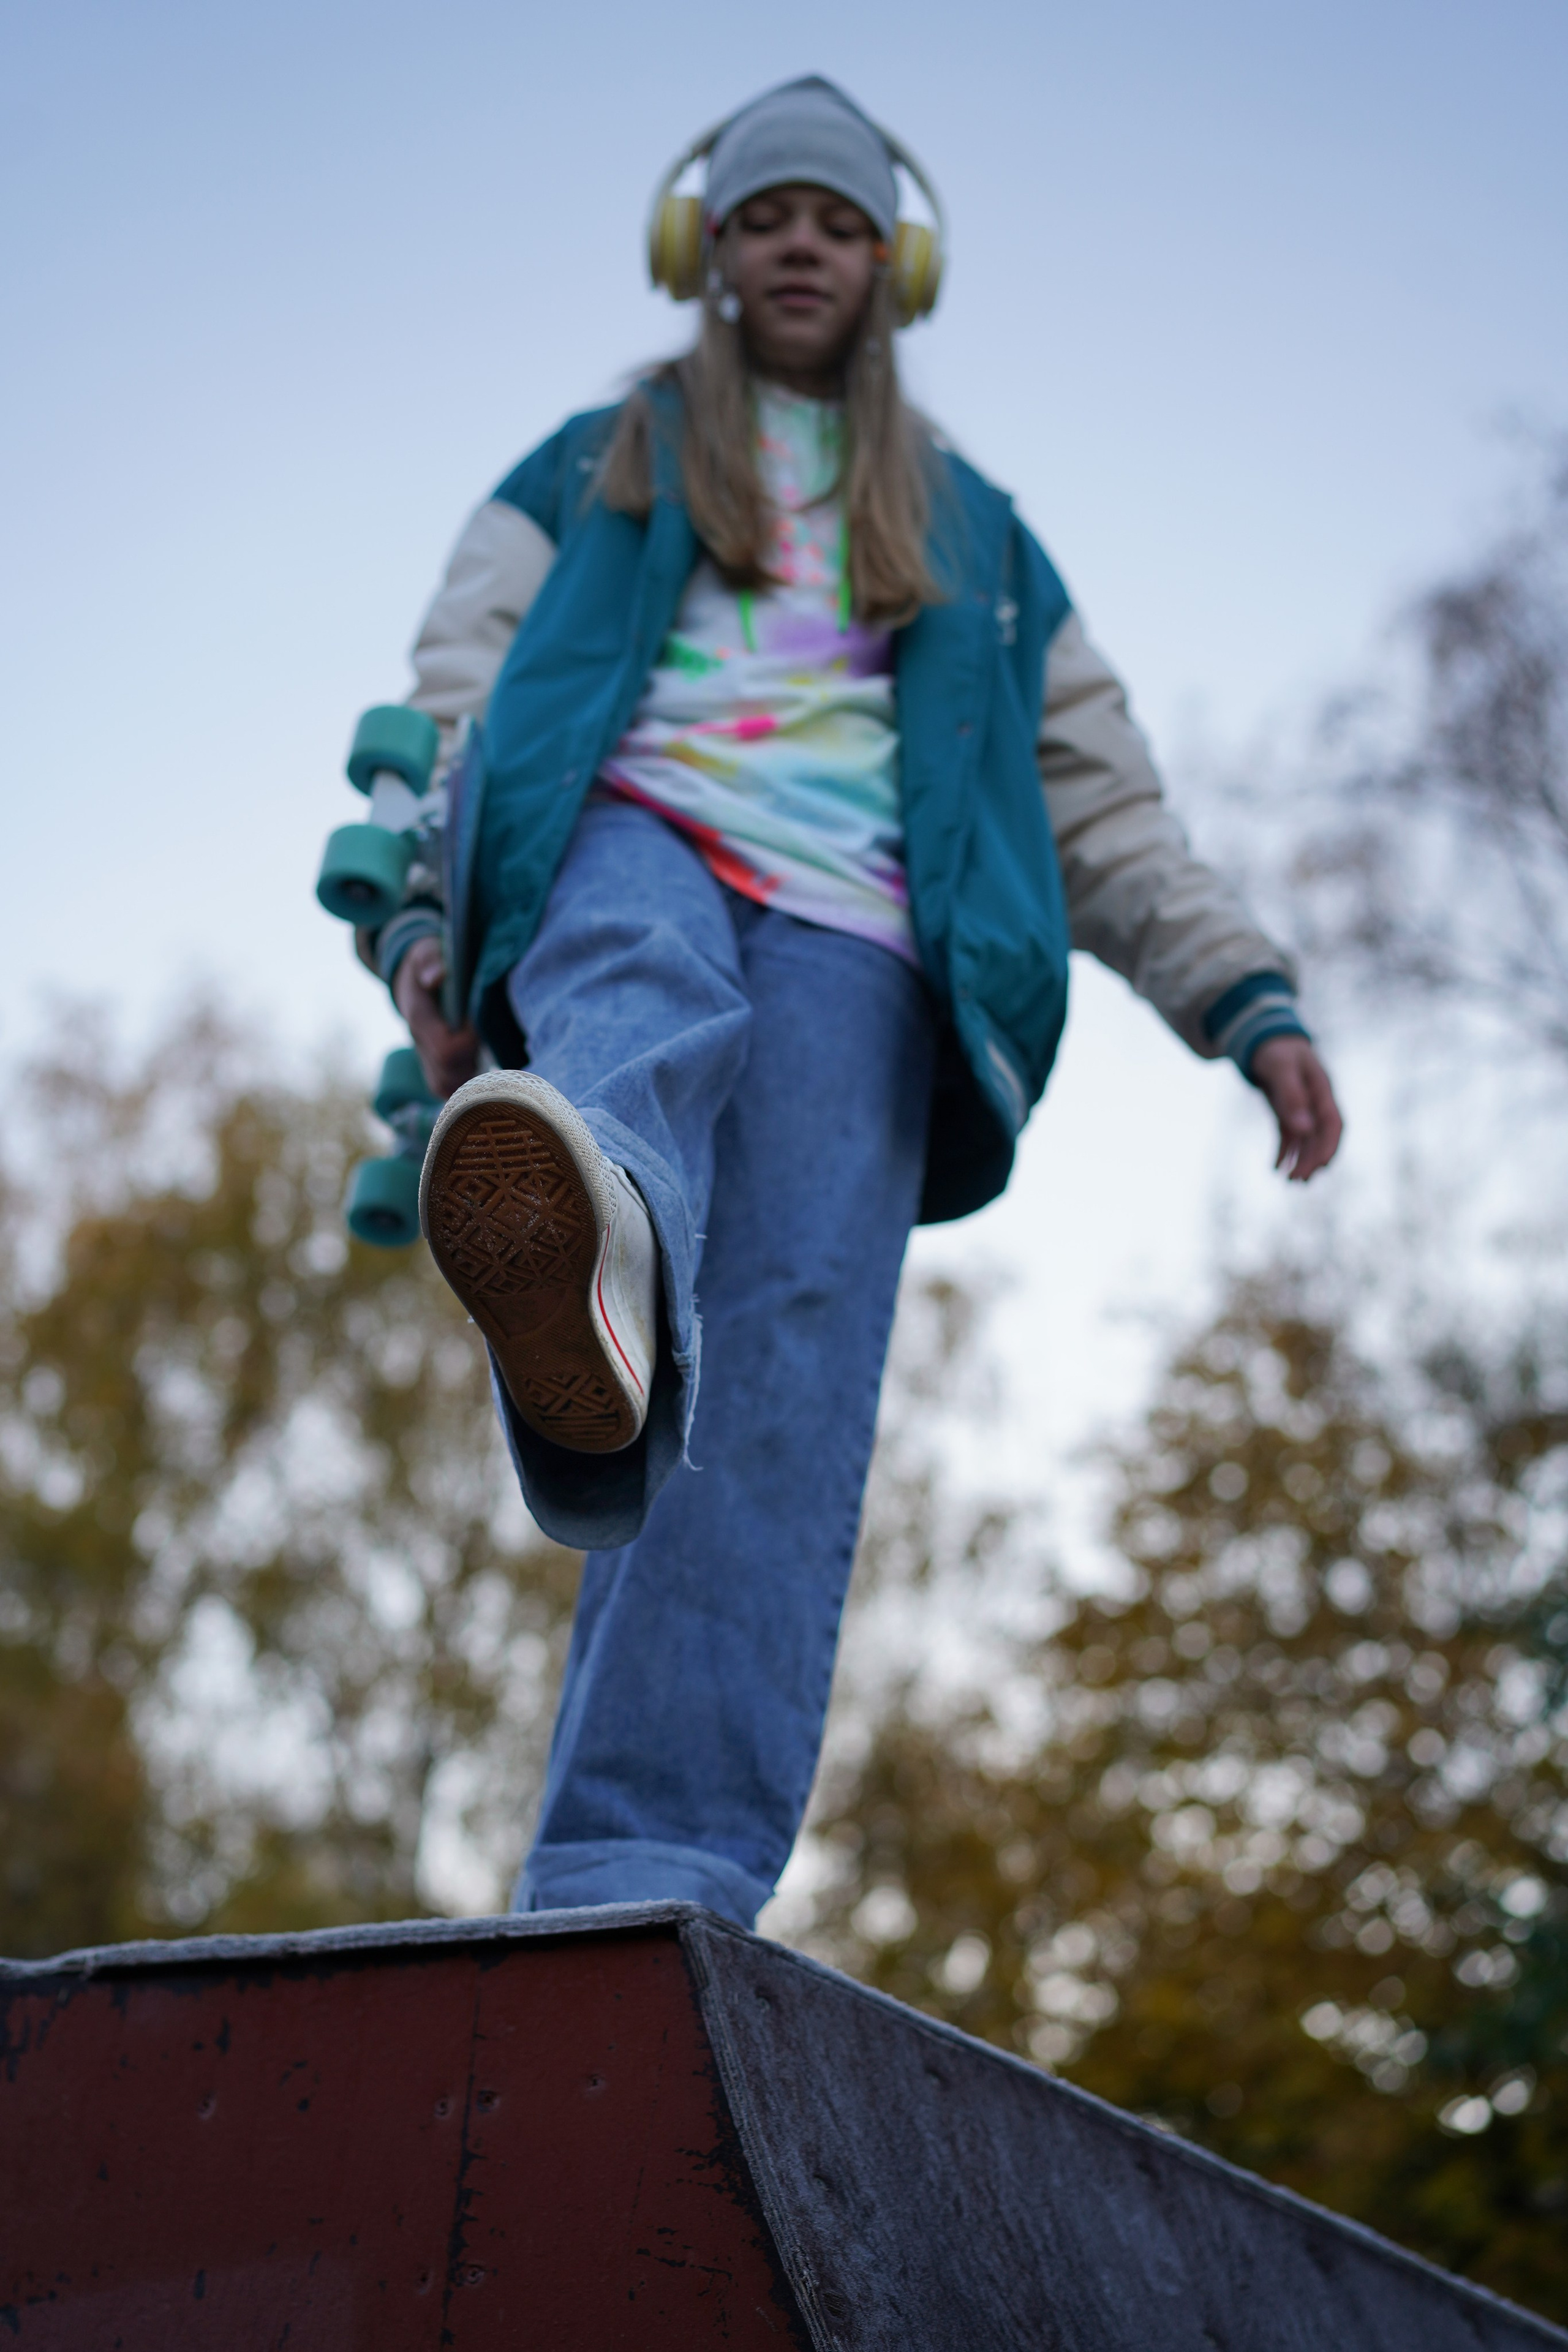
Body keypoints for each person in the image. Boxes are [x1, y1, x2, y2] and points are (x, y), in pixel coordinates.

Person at [363, 75, 1343, 1931]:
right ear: (704, 254)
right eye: (761, 219)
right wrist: (424, 905)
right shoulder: (604, 455)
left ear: (896, 264)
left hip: (864, 941)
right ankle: (598, 1233)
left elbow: (1097, 796)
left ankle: (637, 1882)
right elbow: (461, 676)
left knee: (782, 1390)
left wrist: (1241, 993)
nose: (798, 244)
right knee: (639, 991)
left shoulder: (976, 536)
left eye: (833, 220)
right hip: (624, 819)